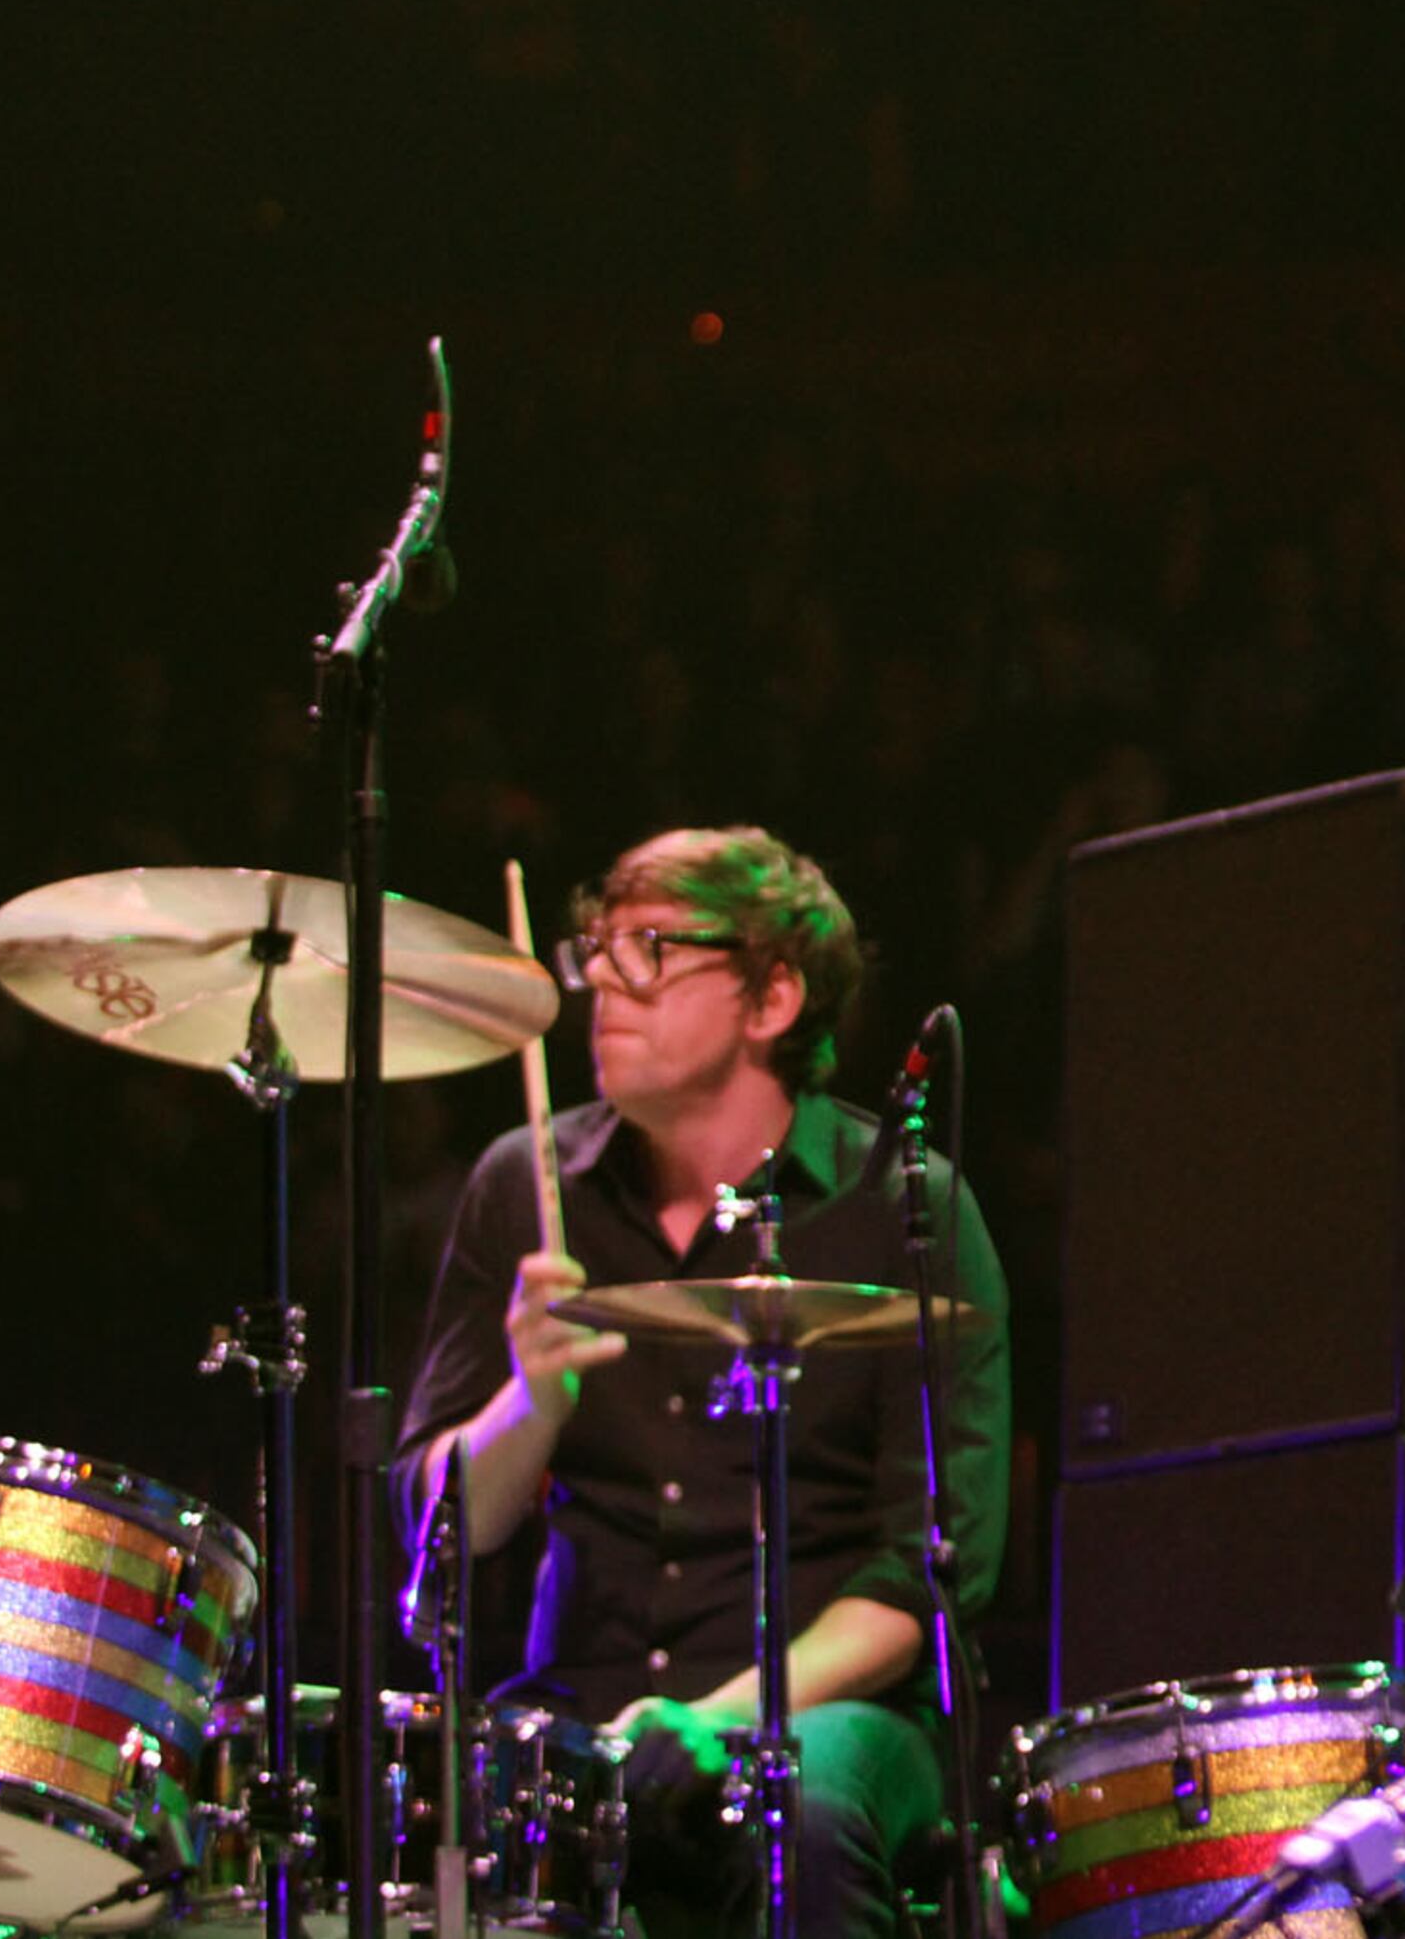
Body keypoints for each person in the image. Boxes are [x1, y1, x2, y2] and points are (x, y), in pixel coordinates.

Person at [399, 825, 1010, 1936]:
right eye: (598, 948)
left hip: (838, 1709)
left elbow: (921, 1575)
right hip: (580, 1700)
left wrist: (719, 1718)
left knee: (799, 1798)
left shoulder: (903, 1208)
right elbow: (445, 1526)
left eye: (652, 951)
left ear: (772, 996)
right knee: (422, 1798)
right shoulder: (527, 1182)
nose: (601, 985)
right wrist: (528, 1401)